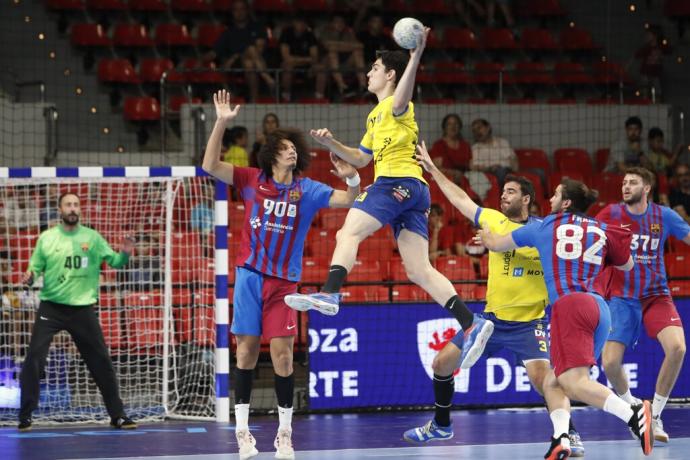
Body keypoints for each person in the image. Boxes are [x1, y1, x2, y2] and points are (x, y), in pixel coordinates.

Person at [283, 30, 495, 371]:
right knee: (419, 270)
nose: (368, 73)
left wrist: (415, 55)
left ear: (390, 75)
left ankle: (331, 292)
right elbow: (362, 158)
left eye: (375, 68)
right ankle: (471, 322)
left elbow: (402, 96)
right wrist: (332, 144)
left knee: (347, 232)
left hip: (397, 181)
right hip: (415, 191)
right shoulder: (374, 116)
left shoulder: (398, 106)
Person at [202, 89, 360, 460]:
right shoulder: (251, 179)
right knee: (246, 352)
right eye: (286, 147)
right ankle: (242, 433)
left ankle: (284, 434)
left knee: (284, 358)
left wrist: (352, 180)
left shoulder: (307, 189)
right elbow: (210, 164)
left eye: (295, 148)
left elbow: (349, 200)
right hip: (249, 278)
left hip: (283, 285)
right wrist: (222, 123)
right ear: (273, 152)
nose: (293, 151)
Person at [403, 145, 585, 456]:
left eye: (511, 192)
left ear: (526, 199)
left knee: (545, 381)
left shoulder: (544, 230)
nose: (504, 196)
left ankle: (569, 434)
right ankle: (442, 425)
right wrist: (433, 171)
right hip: (490, 322)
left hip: (530, 324)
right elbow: (461, 200)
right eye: (503, 191)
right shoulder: (492, 220)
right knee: (440, 363)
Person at [479, 179, 655, 458]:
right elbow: (628, 265)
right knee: (554, 380)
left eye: (556, 194)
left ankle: (633, 414)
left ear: (566, 203)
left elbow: (496, 244)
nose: (550, 199)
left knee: (573, 383)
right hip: (600, 309)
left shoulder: (545, 226)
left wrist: (486, 235)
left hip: (569, 306)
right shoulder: (602, 228)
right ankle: (561, 437)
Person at [18, 193, 137, 431]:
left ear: (79, 210)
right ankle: (25, 415)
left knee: (101, 361)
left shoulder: (91, 238)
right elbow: (34, 269)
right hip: (51, 307)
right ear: (60, 209)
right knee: (34, 358)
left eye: (76, 204)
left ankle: (118, 415)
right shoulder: (47, 238)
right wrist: (29, 278)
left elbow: (114, 262)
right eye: (68, 204)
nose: (72, 208)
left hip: (82, 309)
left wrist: (125, 252)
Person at [595, 167, 689, 444]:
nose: (625, 186)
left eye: (632, 182)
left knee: (678, 348)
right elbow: (589, 236)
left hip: (656, 295)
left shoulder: (664, 216)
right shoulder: (611, 214)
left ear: (647, 188)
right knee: (610, 363)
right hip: (622, 298)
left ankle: (656, 414)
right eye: (624, 182)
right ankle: (636, 410)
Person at [208, 0, 275, 102]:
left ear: (247, 10)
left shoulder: (258, 27)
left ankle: (253, 101)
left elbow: (259, 49)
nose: (239, 12)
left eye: (242, 9)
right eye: (236, 10)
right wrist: (200, 60)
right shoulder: (228, 32)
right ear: (232, 12)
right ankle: (267, 78)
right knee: (250, 52)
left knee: (249, 62)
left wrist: (238, 54)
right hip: (236, 66)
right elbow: (214, 53)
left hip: (257, 62)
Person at [319, 15, 367, 98]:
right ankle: (343, 87)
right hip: (328, 66)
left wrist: (337, 46)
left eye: (342, 22)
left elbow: (360, 46)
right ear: (332, 24)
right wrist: (348, 46)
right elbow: (329, 47)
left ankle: (363, 86)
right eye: (337, 22)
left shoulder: (348, 33)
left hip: (344, 64)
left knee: (357, 53)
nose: (340, 24)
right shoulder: (326, 32)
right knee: (332, 54)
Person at [279, 17, 326, 102]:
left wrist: (297, 60)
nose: (302, 25)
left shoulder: (310, 35)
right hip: (291, 67)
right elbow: (286, 57)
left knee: (321, 68)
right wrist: (307, 59)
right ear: (294, 22)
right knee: (288, 67)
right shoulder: (286, 33)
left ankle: (319, 98)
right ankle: (286, 97)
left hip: (307, 68)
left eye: (304, 23)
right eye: (299, 22)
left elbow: (314, 57)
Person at [469, 118, 518, 185]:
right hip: (490, 172)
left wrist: (514, 170)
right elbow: (475, 167)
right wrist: (490, 168)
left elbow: (513, 160)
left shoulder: (502, 142)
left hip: (507, 170)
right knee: (501, 172)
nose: (477, 132)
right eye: (474, 131)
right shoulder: (475, 148)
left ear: (488, 127)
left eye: (479, 128)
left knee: (536, 171)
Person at [429, 114, 472, 183]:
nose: (453, 127)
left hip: (465, 179)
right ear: (444, 128)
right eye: (449, 124)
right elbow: (436, 168)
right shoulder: (439, 145)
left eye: (455, 124)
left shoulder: (465, 145)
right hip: (445, 179)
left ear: (459, 127)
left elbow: (470, 166)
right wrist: (453, 173)